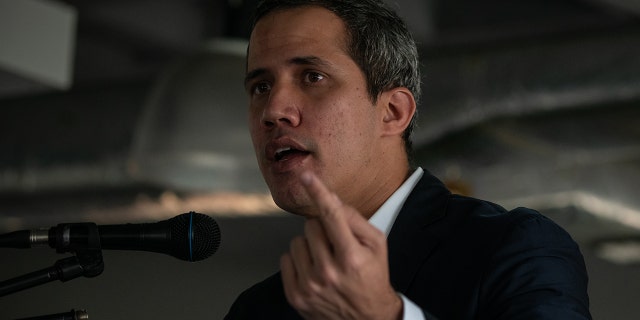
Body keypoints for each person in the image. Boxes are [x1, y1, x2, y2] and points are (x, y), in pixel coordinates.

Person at [225, 0, 591, 319]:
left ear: (393, 112)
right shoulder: (257, 310)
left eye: (312, 77)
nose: (272, 111)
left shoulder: (518, 247)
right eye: (261, 86)